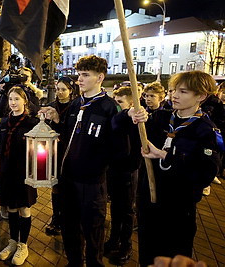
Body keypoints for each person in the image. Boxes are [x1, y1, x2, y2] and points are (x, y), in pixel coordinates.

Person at [124, 70, 220, 266]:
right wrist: (133, 116)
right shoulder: (160, 118)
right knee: (148, 258)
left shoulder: (206, 131)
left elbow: (205, 173)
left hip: (177, 210)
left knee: (172, 257)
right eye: (174, 90)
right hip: (150, 202)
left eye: (183, 92)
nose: (174, 95)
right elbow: (133, 138)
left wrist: (164, 155)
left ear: (201, 96)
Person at [41, 55, 126, 267]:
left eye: (85, 75)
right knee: (70, 228)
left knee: (93, 231)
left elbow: (120, 148)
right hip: (68, 179)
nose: (79, 79)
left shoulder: (109, 108)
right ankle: (74, 262)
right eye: (79, 74)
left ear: (100, 77)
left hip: (92, 183)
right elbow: (68, 134)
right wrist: (56, 121)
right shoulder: (76, 104)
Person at [0, 86, 39, 265]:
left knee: (24, 209)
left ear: (24, 101)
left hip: (25, 173)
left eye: (17, 99)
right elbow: (0, 146)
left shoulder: (32, 122)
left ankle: (23, 245)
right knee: (11, 209)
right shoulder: (3, 122)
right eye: (11, 99)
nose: (13, 103)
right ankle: (12, 241)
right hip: (7, 172)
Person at [105, 85, 141, 265]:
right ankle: (113, 239)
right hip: (114, 168)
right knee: (116, 208)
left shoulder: (137, 122)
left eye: (120, 102)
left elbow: (137, 148)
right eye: (115, 101)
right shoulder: (117, 118)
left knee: (126, 210)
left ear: (132, 103)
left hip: (128, 171)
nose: (116, 106)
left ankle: (126, 245)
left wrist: (131, 167)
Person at [44, 76, 78, 236]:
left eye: (63, 89)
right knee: (55, 186)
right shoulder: (52, 105)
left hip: (69, 153)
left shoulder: (75, 107)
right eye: (58, 89)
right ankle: (56, 217)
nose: (59, 92)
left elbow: (73, 132)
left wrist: (58, 121)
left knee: (68, 188)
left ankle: (67, 218)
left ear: (71, 91)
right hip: (54, 152)